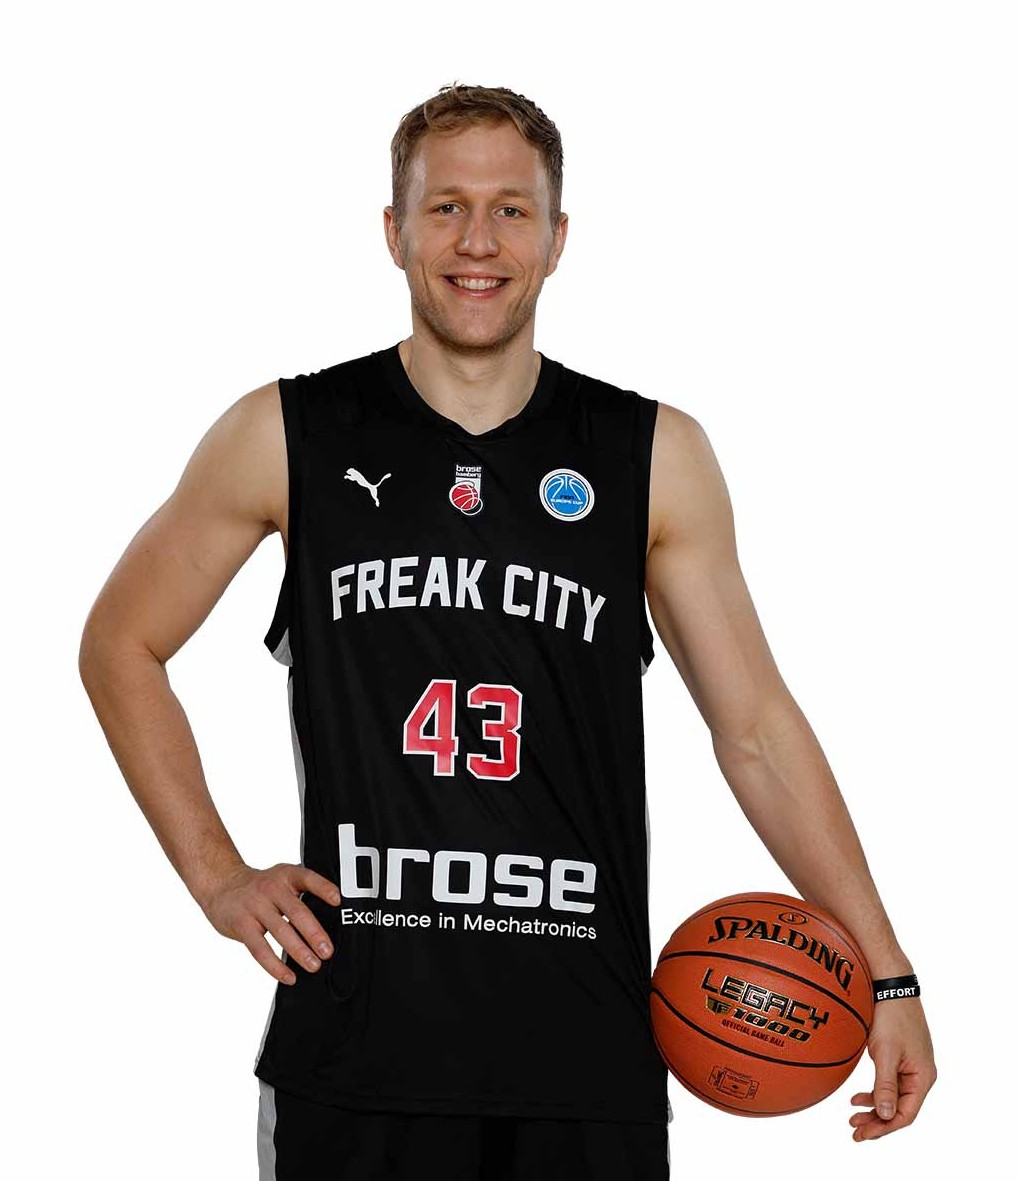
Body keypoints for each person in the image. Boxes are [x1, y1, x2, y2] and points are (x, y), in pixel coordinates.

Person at [78, 83, 936, 1178]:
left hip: (586, 1056)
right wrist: (217, 876)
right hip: (356, 1054)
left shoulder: (651, 454)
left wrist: (887, 969)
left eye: (511, 210)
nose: (476, 241)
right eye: (445, 208)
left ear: (557, 238)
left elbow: (756, 730)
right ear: (393, 231)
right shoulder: (286, 434)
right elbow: (120, 644)